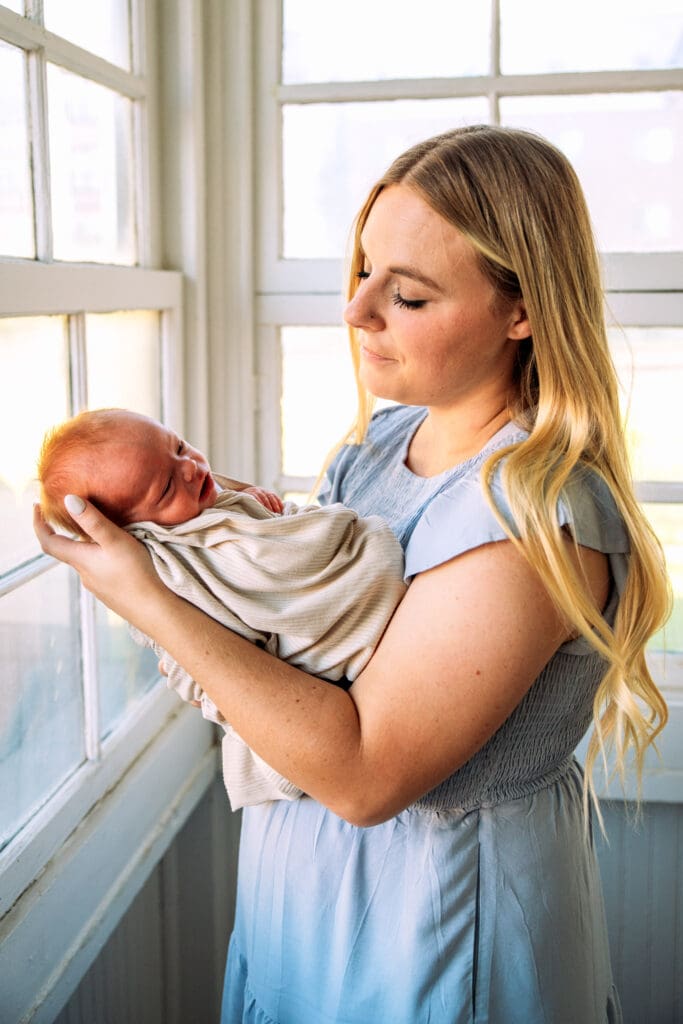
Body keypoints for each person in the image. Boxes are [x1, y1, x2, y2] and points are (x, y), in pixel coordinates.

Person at [34, 125, 671, 1024]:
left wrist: (138, 592)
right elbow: (293, 638)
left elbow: (365, 776)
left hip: (433, 925)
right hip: (301, 895)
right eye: (365, 270)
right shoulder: (380, 447)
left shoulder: (534, 517)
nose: (357, 309)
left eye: (406, 295)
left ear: (520, 308)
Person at [37, 408, 406, 809]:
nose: (191, 468)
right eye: (164, 487)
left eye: (178, 445)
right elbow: (258, 576)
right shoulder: (168, 565)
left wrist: (247, 502)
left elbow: (253, 521)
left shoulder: (198, 506)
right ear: (133, 532)